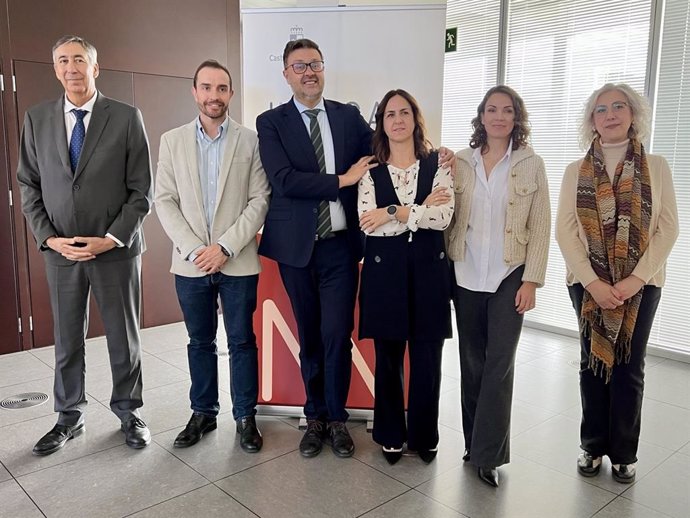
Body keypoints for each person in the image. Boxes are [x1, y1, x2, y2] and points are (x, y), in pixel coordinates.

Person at [17, 35, 153, 454]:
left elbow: (141, 189)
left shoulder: (127, 117)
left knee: (122, 335)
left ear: (95, 68)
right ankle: (68, 416)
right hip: (62, 253)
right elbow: (28, 185)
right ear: (56, 69)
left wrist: (110, 238)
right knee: (67, 338)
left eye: (79, 59)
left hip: (115, 250)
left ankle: (129, 412)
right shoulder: (37, 119)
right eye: (63, 61)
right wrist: (49, 239)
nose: (72, 67)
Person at [255, 38, 375, 458]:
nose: (309, 71)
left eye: (316, 64)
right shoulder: (271, 122)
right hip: (296, 249)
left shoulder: (348, 117)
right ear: (286, 73)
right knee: (309, 336)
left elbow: (385, 153)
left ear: (324, 70)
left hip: (341, 248)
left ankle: (338, 419)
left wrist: (434, 155)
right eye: (299, 65)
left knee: (337, 334)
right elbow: (284, 179)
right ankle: (315, 416)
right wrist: (341, 180)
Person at [556, 83, 678, 484]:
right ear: (592, 120)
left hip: (642, 285)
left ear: (633, 114)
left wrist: (635, 278)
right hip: (587, 284)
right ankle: (591, 445)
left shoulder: (656, 166)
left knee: (629, 367)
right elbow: (566, 231)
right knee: (592, 363)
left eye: (618, 106)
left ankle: (624, 452)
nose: (610, 114)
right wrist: (593, 282)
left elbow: (667, 228)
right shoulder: (576, 171)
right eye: (601, 109)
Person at [155, 60, 270, 453]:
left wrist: (224, 247)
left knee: (241, 341)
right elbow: (164, 201)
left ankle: (245, 416)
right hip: (190, 264)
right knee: (199, 341)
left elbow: (260, 199)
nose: (213, 96)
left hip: (236, 260)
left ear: (231, 94)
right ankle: (203, 412)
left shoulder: (250, 140)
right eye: (206, 87)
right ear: (194, 91)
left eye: (221, 88)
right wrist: (194, 250)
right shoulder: (171, 141)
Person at [446, 85, 550, 487]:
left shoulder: (530, 163)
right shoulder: (460, 161)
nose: (499, 117)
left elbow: (539, 225)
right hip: (466, 274)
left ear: (516, 118)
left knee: (499, 364)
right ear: (482, 116)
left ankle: (489, 454)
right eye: (492, 109)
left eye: (507, 110)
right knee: (472, 363)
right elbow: (446, 214)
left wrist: (532, 280)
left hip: (511, 275)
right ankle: (474, 442)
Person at [357, 89, 453, 465]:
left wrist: (393, 211)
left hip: (430, 273)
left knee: (428, 360)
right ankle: (391, 435)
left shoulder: (439, 164)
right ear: (381, 124)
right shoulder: (371, 172)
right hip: (385, 276)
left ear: (415, 119)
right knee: (389, 359)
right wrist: (416, 212)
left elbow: (443, 218)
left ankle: (425, 436)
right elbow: (369, 225)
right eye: (389, 114)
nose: (397, 120)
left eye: (404, 112)